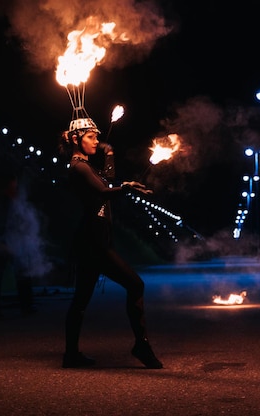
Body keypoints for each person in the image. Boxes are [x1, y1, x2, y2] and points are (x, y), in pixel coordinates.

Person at [58, 117, 163, 369]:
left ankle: (70, 354)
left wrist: (110, 152)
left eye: (97, 137)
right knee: (135, 285)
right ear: (76, 139)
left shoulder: (87, 166)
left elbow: (107, 179)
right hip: (94, 244)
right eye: (91, 137)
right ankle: (141, 345)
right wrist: (127, 188)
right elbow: (104, 191)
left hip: (93, 241)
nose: (96, 141)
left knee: (81, 300)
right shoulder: (78, 167)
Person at [0, 171, 36, 318]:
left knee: (20, 272)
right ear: (10, 182)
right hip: (1, 242)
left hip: (11, 241)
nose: (16, 185)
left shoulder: (10, 199)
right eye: (14, 182)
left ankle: (24, 305)